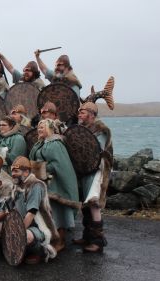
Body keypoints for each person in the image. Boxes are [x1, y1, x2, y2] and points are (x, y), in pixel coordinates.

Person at [29, 119, 80, 252]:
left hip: (56, 184)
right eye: (38, 127)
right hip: (44, 183)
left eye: (42, 127)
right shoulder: (41, 143)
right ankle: (49, 238)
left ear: (50, 128)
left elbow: (60, 165)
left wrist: (39, 168)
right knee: (48, 212)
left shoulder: (55, 144)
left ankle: (60, 241)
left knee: (58, 211)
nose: (39, 129)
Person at [74, 102, 113, 253]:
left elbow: (96, 149)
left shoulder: (101, 130)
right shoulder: (83, 129)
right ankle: (87, 236)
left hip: (97, 170)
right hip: (85, 169)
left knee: (94, 203)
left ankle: (98, 242)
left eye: (82, 112)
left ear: (91, 114)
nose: (79, 114)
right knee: (85, 202)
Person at [6, 156, 59, 264]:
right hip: (24, 223)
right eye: (12, 171)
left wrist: (18, 231)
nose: (13, 174)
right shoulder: (16, 186)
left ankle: (42, 251)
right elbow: (10, 210)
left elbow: (31, 213)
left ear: (26, 172)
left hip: (39, 227)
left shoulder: (36, 185)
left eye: (16, 171)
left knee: (26, 236)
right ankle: (24, 247)